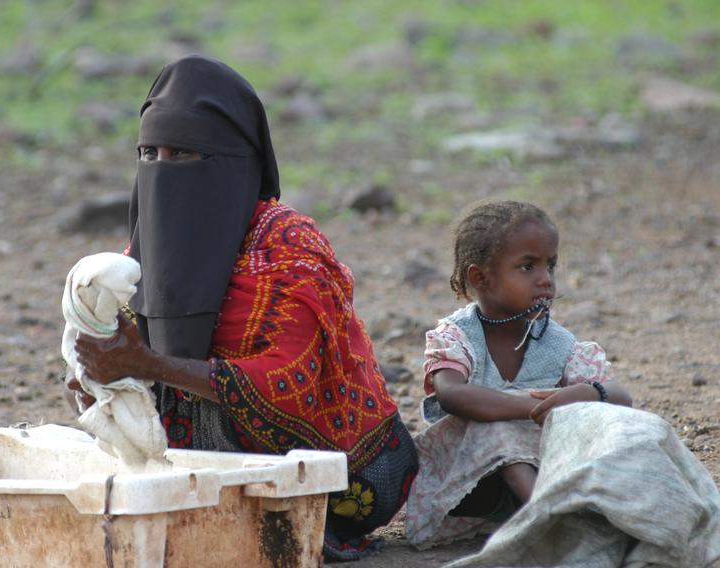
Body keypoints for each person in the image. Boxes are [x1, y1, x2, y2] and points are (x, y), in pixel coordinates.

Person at [68, 55, 419, 561]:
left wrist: (146, 365)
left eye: (183, 153)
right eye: (149, 153)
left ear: (234, 159)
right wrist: (94, 376)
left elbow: (291, 381)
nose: (162, 169)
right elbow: (119, 360)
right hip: (195, 462)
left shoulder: (287, 244)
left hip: (347, 477)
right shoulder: (140, 254)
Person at [405, 200, 633, 549]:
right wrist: (530, 406)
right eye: (527, 267)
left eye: (551, 266)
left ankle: (570, 512)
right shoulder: (458, 336)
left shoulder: (560, 345)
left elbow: (621, 398)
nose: (546, 280)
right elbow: (452, 394)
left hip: (540, 469)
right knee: (497, 429)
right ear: (480, 277)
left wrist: (588, 394)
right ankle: (549, 522)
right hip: (467, 486)